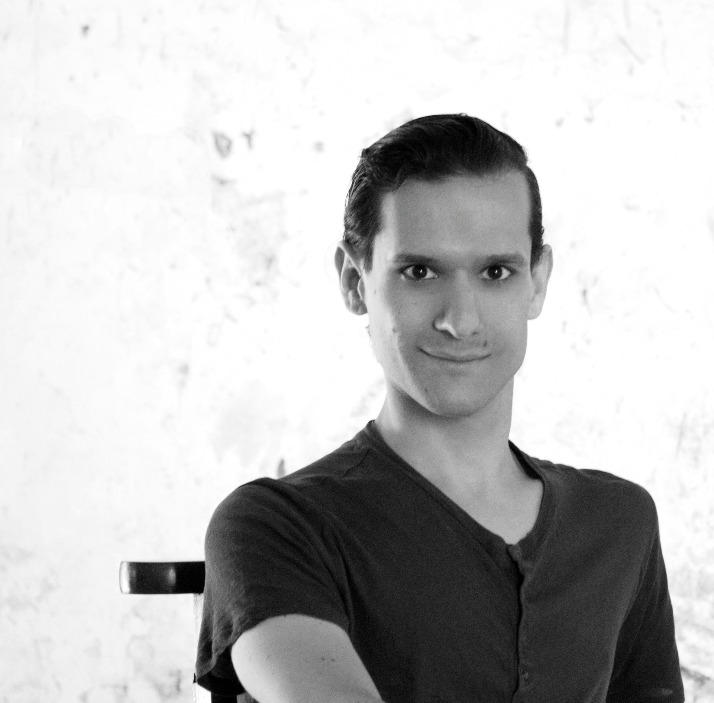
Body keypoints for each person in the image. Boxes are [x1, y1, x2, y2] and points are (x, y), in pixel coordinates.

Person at [195, 114, 684, 703]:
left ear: (537, 281)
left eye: (496, 272)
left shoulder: (618, 522)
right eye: (419, 272)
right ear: (354, 281)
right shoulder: (276, 528)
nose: (461, 320)